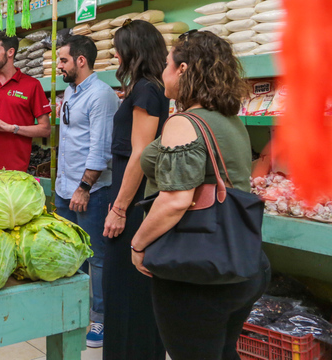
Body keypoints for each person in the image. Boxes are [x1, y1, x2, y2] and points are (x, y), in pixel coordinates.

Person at [131, 30, 270, 360]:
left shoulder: (185, 123)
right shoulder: (228, 118)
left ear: (182, 70)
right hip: (242, 263)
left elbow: (177, 199)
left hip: (196, 273)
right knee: (222, 353)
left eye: (166, 65)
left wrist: (138, 244)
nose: (162, 73)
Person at [101, 19, 168, 360]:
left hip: (134, 200)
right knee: (135, 289)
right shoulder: (153, 87)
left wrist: (119, 209)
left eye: (118, 47)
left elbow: (140, 152)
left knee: (124, 286)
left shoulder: (145, 90)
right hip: (139, 197)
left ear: (132, 52)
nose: (114, 54)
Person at [54, 35, 119, 348]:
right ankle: (75, 313)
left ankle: (100, 319)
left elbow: (101, 149)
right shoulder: (70, 91)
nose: (59, 66)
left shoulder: (101, 95)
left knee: (97, 258)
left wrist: (83, 187)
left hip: (89, 192)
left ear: (81, 60)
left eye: (63, 60)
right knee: (70, 254)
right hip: (64, 189)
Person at [0, 31, 51, 172]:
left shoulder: (32, 85)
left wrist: (12, 128)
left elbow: (45, 129)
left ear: (10, 52)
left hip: (14, 170)